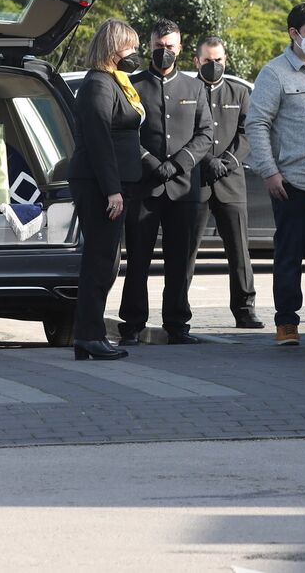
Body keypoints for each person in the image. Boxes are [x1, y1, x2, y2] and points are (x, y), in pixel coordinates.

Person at [118, 19, 213, 346]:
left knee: (179, 262)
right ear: (150, 46)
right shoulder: (133, 85)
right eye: (159, 48)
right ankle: (131, 325)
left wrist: (180, 164)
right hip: (144, 186)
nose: (164, 53)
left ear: (181, 48)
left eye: (170, 48)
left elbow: (206, 134)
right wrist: (150, 162)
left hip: (184, 188)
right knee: (139, 261)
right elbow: (125, 131)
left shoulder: (194, 87)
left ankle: (177, 325)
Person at [245, 3, 305, 345]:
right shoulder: (275, 73)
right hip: (291, 182)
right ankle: (286, 322)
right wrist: (269, 171)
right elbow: (257, 123)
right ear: (293, 34)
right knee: (289, 254)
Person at [69, 19, 144, 360]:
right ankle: (89, 335)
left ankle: (88, 336)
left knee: (104, 261)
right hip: (100, 186)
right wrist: (112, 190)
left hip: (111, 184)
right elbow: (100, 140)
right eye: (130, 47)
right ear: (114, 49)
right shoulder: (99, 85)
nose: (135, 54)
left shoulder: (116, 82)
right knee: (99, 262)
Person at [190, 35, 260, 329]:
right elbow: (184, 133)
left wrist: (229, 161)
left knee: (239, 249)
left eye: (218, 60)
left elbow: (247, 132)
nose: (213, 65)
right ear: (196, 61)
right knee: (186, 250)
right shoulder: (187, 90)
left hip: (231, 180)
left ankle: (245, 309)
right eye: (207, 60)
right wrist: (208, 161)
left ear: (225, 60)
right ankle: (177, 313)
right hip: (196, 180)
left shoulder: (239, 92)